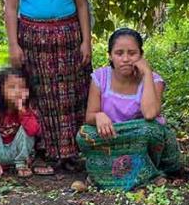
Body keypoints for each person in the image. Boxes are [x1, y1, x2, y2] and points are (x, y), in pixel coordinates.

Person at [4, 0, 93, 174]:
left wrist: (86, 41)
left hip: (68, 36)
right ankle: (44, 152)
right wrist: (13, 44)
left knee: (71, 93)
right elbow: (10, 7)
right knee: (39, 94)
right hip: (32, 37)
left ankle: (72, 152)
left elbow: (81, 4)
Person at [76, 28, 181, 190]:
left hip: (141, 139)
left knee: (150, 131)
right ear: (110, 55)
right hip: (113, 136)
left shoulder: (155, 80)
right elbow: (89, 115)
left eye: (132, 53)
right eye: (119, 53)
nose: (125, 59)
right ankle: (136, 175)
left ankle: (140, 173)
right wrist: (98, 116)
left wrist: (146, 73)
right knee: (84, 134)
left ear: (141, 55)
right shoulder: (100, 77)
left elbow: (150, 114)